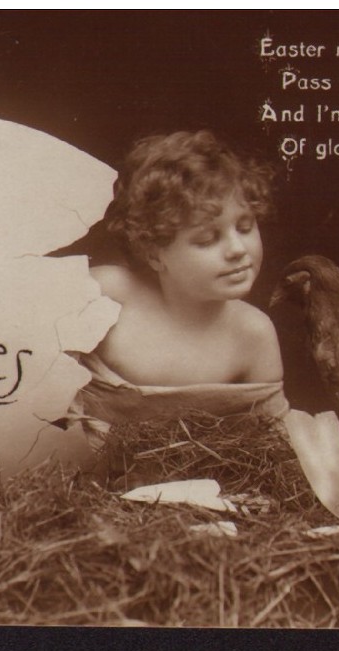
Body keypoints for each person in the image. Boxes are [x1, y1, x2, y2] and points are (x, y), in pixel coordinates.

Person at [71, 130, 288, 428]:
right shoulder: (108, 294)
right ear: (154, 253)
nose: (238, 249)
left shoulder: (254, 335)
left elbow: (273, 437)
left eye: (245, 227)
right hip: (78, 466)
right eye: (207, 239)